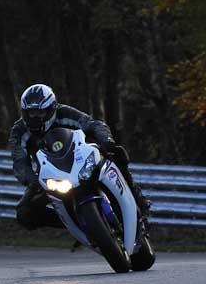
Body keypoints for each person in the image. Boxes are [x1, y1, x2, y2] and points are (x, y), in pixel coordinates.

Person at [8, 83, 151, 231]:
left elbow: (93, 124)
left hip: (81, 161)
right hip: (50, 176)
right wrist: (32, 181)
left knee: (117, 154)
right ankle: (74, 224)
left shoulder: (65, 113)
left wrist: (106, 141)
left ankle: (139, 202)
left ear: (51, 109)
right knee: (24, 213)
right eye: (30, 113)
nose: (35, 118)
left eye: (39, 113)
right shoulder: (19, 132)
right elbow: (19, 162)